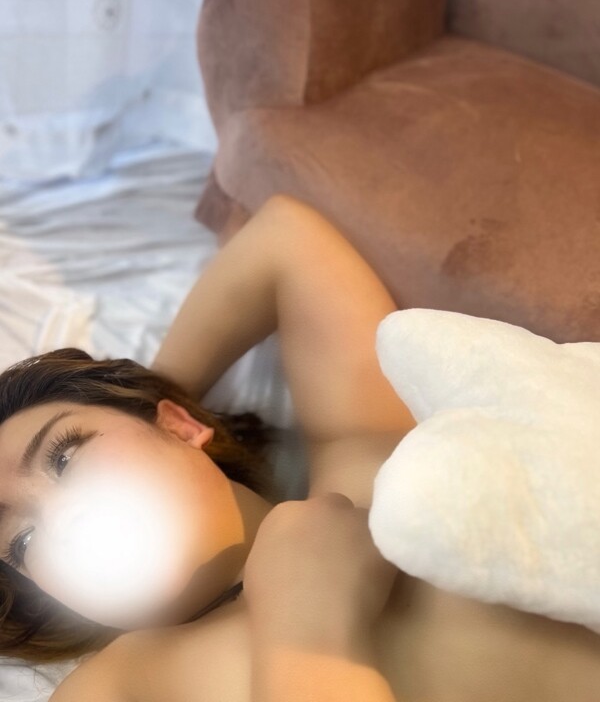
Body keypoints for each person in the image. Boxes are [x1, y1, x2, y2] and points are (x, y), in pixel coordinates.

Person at [0, 194, 599, 702]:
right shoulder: (116, 688)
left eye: (64, 457)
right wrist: (306, 625)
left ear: (180, 427)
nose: (64, 524)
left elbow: (284, 239)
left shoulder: (368, 470)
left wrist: (151, 396)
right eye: (21, 543)